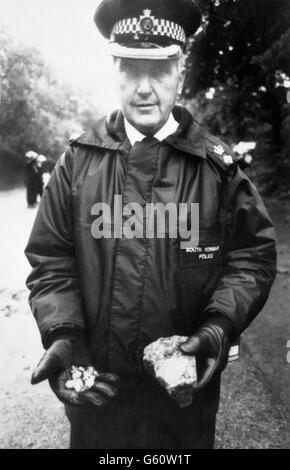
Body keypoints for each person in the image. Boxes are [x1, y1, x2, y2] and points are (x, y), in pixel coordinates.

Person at [25, 0, 277, 450]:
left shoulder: (217, 169)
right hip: (98, 402)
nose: (144, 89)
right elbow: (51, 259)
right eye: (130, 69)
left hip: (184, 406)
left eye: (158, 71)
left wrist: (218, 325)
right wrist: (64, 335)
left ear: (180, 73)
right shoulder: (78, 162)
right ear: (114, 71)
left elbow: (252, 257)